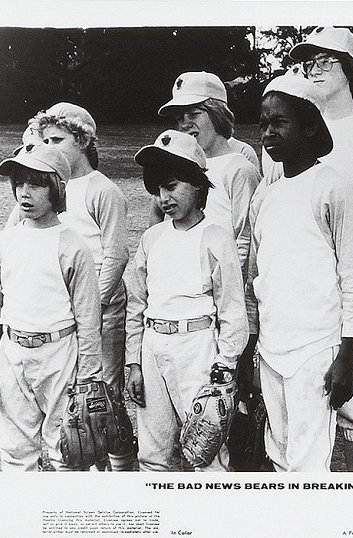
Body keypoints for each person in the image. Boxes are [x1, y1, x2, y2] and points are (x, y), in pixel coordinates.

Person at [241, 71, 353, 472]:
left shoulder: (332, 188)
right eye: (263, 124)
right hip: (273, 348)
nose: (268, 133)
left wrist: (346, 357)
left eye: (279, 122)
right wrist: (252, 349)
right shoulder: (267, 195)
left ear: (311, 125)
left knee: (308, 462)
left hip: (317, 348)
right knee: (279, 453)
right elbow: (256, 279)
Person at [286, 26, 353, 472]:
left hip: (342, 276)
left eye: (327, 61)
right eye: (310, 62)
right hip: (296, 277)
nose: (316, 70)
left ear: (350, 69)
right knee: (296, 385)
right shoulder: (295, 124)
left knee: (349, 398)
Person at [126, 130, 249, 471]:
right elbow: (137, 304)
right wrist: (134, 362)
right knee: (153, 452)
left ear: (198, 186)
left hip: (197, 349)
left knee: (205, 449)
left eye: (174, 185)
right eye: (160, 188)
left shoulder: (215, 238)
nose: (165, 197)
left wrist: (225, 365)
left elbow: (232, 309)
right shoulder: (152, 238)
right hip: (154, 347)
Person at [26, 102, 134, 471]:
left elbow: (116, 255)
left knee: (105, 395)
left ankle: (119, 468)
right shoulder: (51, 185)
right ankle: (75, 461)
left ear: (84, 139)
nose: (51, 146)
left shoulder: (102, 189)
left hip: (102, 311)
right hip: (64, 312)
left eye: (58, 139)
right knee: (70, 395)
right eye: (45, 140)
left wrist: (92, 306)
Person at [0, 142, 103, 471]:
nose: (25, 192)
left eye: (36, 183)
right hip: (13, 352)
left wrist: (89, 376)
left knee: (66, 449)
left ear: (56, 189)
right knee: (15, 452)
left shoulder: (73, 246)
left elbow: (90, 320)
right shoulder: (3, 242)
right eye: (19, 183)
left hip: (58, 352)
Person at [150, 72, 261, 277]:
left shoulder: (239, 168)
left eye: (194, 114)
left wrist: (225, 285)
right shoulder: (175, 163)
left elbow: (245, 238)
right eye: (179, 118)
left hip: (216, 283)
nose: (184, 124)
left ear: (217, 113)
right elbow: (157, 221)